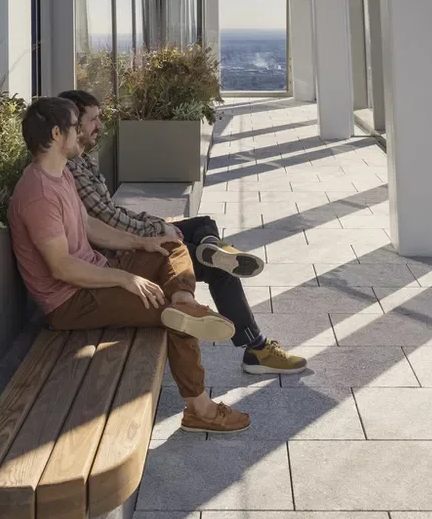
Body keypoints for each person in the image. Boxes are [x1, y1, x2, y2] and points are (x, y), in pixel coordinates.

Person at [10, 97, 249, 433]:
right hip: (71, 300)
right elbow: (62, 267)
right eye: (75, 126)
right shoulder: (38, 195)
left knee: (171, 246)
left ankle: (184, 299)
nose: (81, 132)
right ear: (56, 134)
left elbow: (90, 226)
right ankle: (200, 409)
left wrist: (141, 243)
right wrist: (124, 278)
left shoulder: (60, 174)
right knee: (173, 316)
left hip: (95, 273)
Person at [59, 90, 305, 375]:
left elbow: (112, 211)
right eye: (93, 119)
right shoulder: (71, 170)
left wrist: (157, 222)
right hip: (119, 252)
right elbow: (107, 220)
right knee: (219, 270)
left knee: (202, 224)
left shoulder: (81, 161)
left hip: (125, 238)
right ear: (74, 125)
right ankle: (256, 349)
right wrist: (157, 229)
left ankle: (213, 247)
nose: (99, 126)